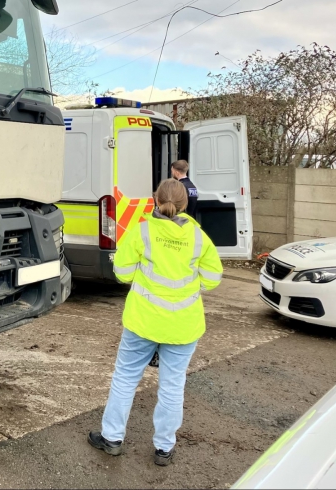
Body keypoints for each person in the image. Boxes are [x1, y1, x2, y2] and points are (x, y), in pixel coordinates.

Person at [88, 178, 223, 466]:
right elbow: (212, 279)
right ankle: (164, 447)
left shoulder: (142, 232)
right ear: (186, 204)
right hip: (184, 326)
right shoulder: (200, 238)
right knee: (173, 386)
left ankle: (112, 438)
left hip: (143, 321)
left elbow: (122, 272)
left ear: (154, 200)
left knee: (125, 379)